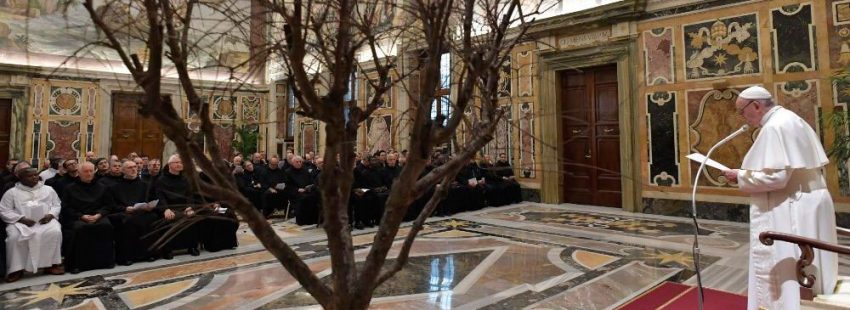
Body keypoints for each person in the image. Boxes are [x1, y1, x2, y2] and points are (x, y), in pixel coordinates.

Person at [722, 86, 837, 310]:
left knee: (791, 265)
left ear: (756, 105)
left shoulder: (775, 126)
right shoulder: (791, 119)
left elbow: (777, 177)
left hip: (794, 205)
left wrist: (741, 176)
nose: (742, 118)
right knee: (813, 266)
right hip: (809, 200)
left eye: (742, 111)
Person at [0, 167, 64, 282]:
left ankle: (50, 265)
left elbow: (56, 205)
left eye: (36, 175)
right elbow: (4, 211)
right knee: (14, 237)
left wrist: (50, 215)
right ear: (21, 178)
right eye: (31, 176)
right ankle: (16, 269)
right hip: (20, 223)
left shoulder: (48, 189)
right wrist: (21, 219)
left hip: (45, 221)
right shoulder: (12, 193)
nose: (35, 177)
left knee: (54, 232)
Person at [60, 162, 115, 273]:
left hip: (98, 215)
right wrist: (81, 216)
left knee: (106, 226)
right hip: (78, 216)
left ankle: (105, 262)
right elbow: (66, 207)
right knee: (79, 228)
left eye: (91, 171)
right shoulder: (70, 188)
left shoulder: (103, 187)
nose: (89, 173)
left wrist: (99, 215)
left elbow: (109, 205)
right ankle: (77, 265)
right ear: (79, 173)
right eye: (86, 171)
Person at [109, 160, 157, 265]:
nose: (133, 169)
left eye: (135, 167)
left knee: (151, 218)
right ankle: (127, 256)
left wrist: (149, 207)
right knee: (128, 221)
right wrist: (125, 209)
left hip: (143, 212)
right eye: (129, 167)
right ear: (122, 170)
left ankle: (149, 254)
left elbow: (153, 199)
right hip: (124, 213)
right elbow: (112, 205)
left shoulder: (146, 185)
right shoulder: (115, 187)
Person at [152, 155, 201, 258]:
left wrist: (190, 207)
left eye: (181, 162)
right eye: (176, 162)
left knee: (192, 218)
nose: (179, 164)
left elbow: (190, 195)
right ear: (170, 165)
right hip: (169, 208)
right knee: (169, 219)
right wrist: (165, 209)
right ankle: (168, 250)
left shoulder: (186, 179)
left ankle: (192, 246)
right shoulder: (161, 180)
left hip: (184, 207)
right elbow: (160, 197)